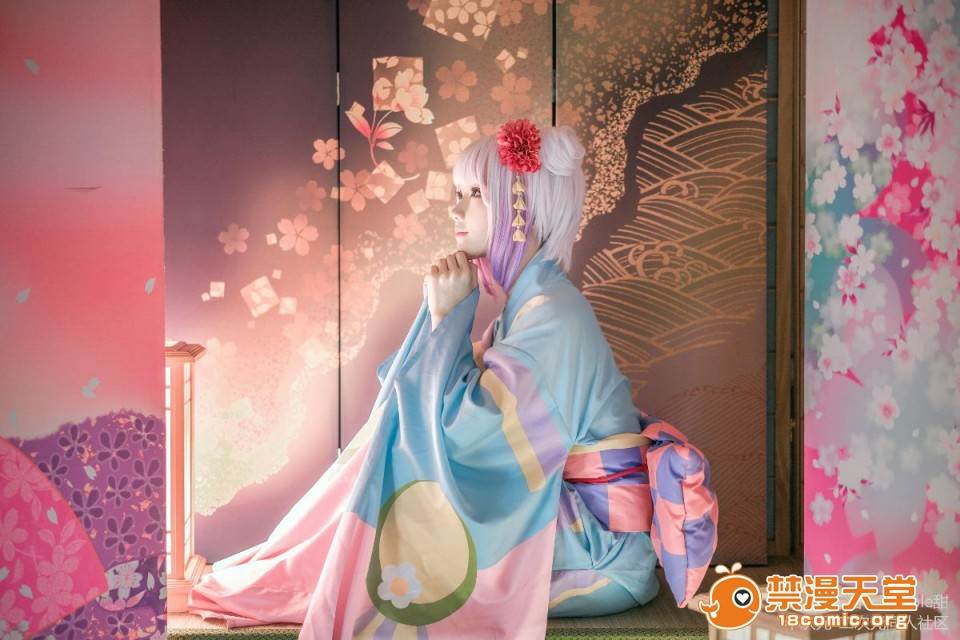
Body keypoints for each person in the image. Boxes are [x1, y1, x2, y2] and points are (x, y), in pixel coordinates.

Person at [187, 120, 718, 639]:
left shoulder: (554, 316)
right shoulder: (531, 307)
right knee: (388, 543)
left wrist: (447, 321)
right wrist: (444, 323)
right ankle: (301, 569)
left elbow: (474, 437)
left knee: (405, 557)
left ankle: (309, 572)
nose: (456, 210)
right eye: (457, 194)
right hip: (577, 528)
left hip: (600, 551)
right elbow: (449, 413)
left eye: (474, 194)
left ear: (518, 209)